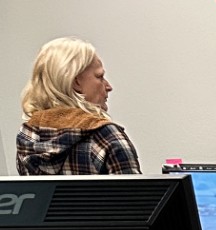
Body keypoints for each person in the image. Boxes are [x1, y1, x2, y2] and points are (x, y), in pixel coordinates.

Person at [16, 38, 140, 175]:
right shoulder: (106, 136)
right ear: (76, 82)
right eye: (100, 77)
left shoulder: (28, 137)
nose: (108, 86)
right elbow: (138, 195)